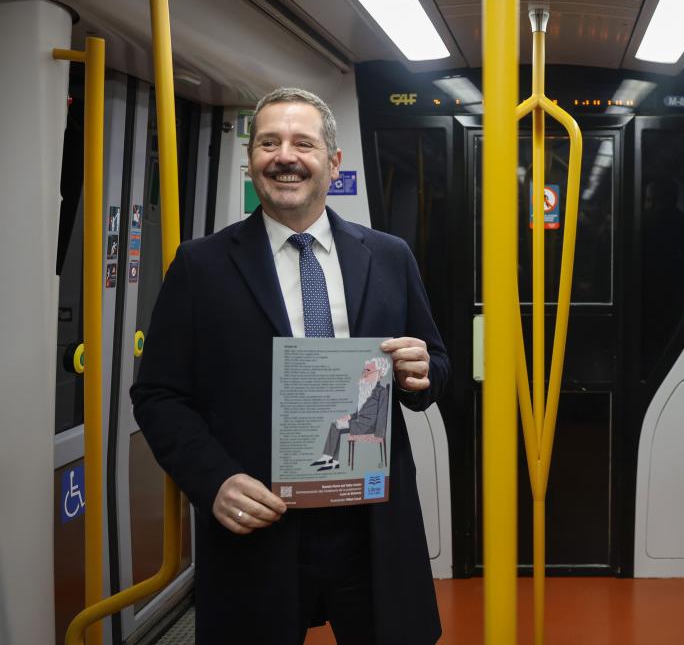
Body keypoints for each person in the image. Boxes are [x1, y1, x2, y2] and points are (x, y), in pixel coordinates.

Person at [131, 87, 448, 644]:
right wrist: (214, 480)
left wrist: (421, 374)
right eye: (269, 143)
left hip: (370, 525)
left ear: (333, 161)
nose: (285, 157)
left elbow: (435, 366)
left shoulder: (389, 256)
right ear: (251, 158)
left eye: (303, 143)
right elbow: (158, 395)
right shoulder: (201, 266)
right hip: (259, 524)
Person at [311, 358, 392, 471]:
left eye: (368, 371)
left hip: (368, 425)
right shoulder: (366, 390)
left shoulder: (382, 392)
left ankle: (328, 457)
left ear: (380, 373)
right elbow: (361, 412)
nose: (364, 374)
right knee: (336, 424)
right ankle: (333, 461)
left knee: (336, 425)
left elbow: (382, 415)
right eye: (364, 371)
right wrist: (349, 416)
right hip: (360, 422)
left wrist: (379, 434)